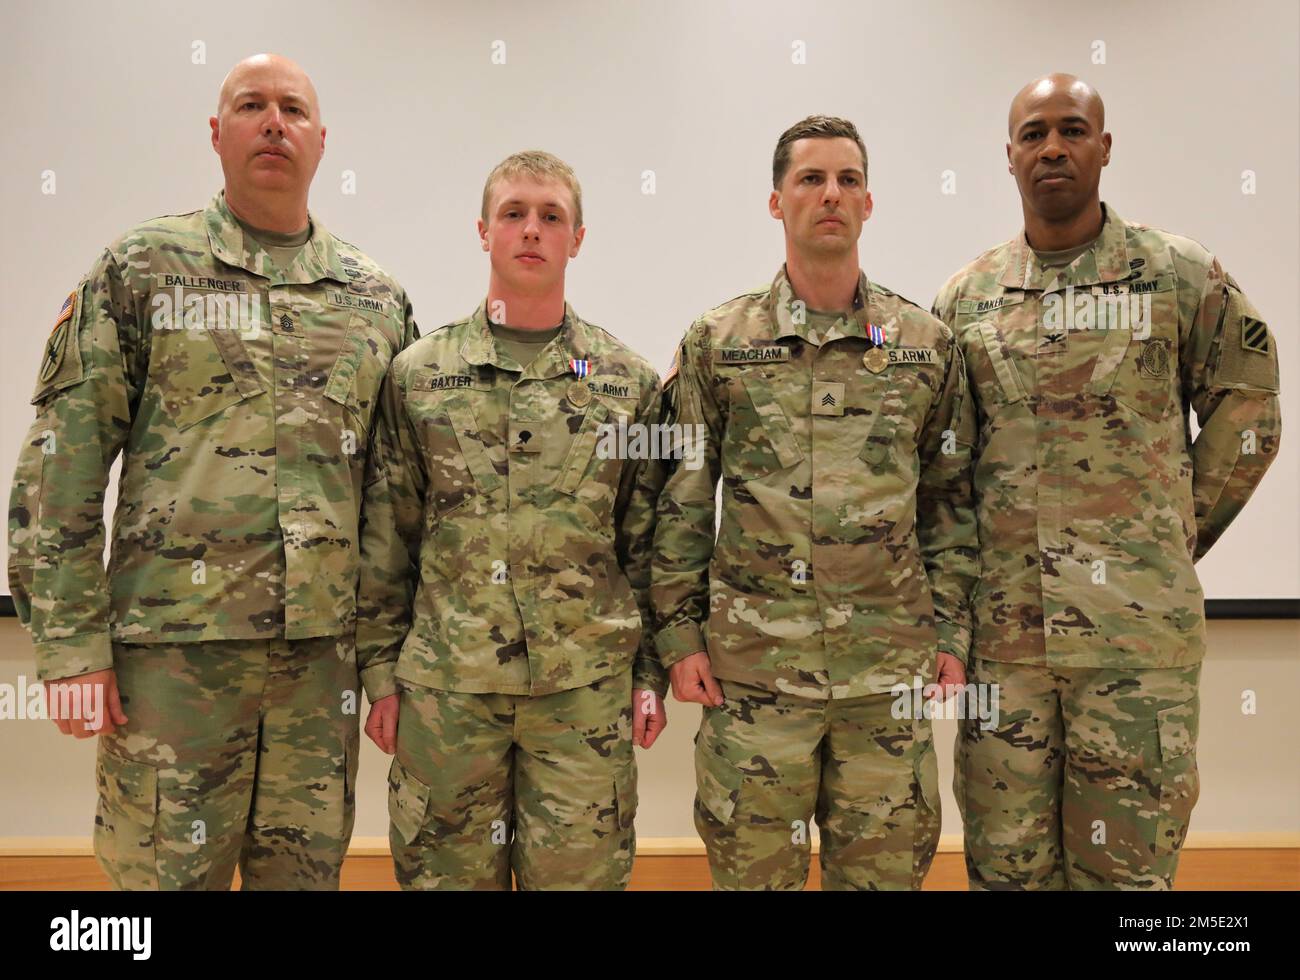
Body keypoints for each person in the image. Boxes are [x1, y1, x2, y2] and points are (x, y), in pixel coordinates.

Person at [7, 53, 419, 890]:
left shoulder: (374, 300)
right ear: (217, 132)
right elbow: (63, 464)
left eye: (293, 109)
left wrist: (385, 662)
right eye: (252, 105)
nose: (274, 123)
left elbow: (394, 505)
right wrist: (71, 646)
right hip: (172, 669)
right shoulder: (143, 270)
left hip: (319, 671)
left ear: (321, 139)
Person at [931, 73, 1282, 890]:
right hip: (1005, 651)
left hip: (1135, 650)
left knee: (1127, 883)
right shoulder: (966, 301)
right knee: (1005, 871)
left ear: (1105, 146)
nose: (1053, 147)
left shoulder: (1177, 277)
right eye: (1033, 134)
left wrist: (1172, 527)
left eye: (1072, 129)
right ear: (1009, 157)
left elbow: (1250, 402)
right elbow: (942, 464)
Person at [651, 116, 978, 890]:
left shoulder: (925, 344)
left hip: (886, 680)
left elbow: (951, 501)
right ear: (776, 202)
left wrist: (955, 628)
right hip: (755, 677)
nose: (830, 194)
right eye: (810, 179)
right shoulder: (719, 341)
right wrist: (678, 637)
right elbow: (685, 500)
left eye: (848, 180)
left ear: (869, 203)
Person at [356, 150, 668, 890]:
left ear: (577, 239)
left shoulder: (626, 384)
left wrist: (650, 670)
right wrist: (378, 673)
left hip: (583, 695)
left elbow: (649, 543)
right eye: (514, 214)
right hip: (447, 698)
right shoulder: (420, 376)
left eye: (551, 217)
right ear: (484, 231)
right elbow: (386, 536)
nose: (532, 230)